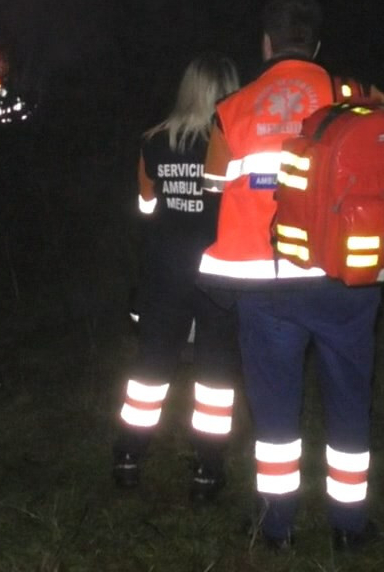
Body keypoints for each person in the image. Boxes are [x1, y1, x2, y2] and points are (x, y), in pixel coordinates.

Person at [199, 0, 384, 551]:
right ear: (317, 45)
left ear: (266, 44)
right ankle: (349, 528)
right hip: (342, 278)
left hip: (267, 287)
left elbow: (212, 186)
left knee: (275, 412)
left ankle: (276, 527)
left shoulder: (232, 109)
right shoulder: (357, 94)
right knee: (348, 402)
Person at [112, 53, 242, 503]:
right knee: (215, 376)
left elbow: (146, 208)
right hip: (217, 274)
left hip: (164, 271)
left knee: (150, 368)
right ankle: (207, 469)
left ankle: (128, 457)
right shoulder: (234, 144)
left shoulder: (153, 142)